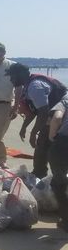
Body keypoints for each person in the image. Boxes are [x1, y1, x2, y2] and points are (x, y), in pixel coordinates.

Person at [5, 62, 67, 178]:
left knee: (46, 147)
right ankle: (40, 174)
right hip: (52, 117)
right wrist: (24, 127)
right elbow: (34, 111)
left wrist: (33, 133)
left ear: (21, 75)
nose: (11, 80)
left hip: (61, 118)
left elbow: (43, 112)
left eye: (12, 76)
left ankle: (43, 175)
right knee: (42, 146)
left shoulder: (35, 87)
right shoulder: (29, 85)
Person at [48, 95, 68, 232]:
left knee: (58, 183)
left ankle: (66, 220)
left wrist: (52, 135)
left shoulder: (67, 98)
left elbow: (58, 118)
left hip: (64, 142)